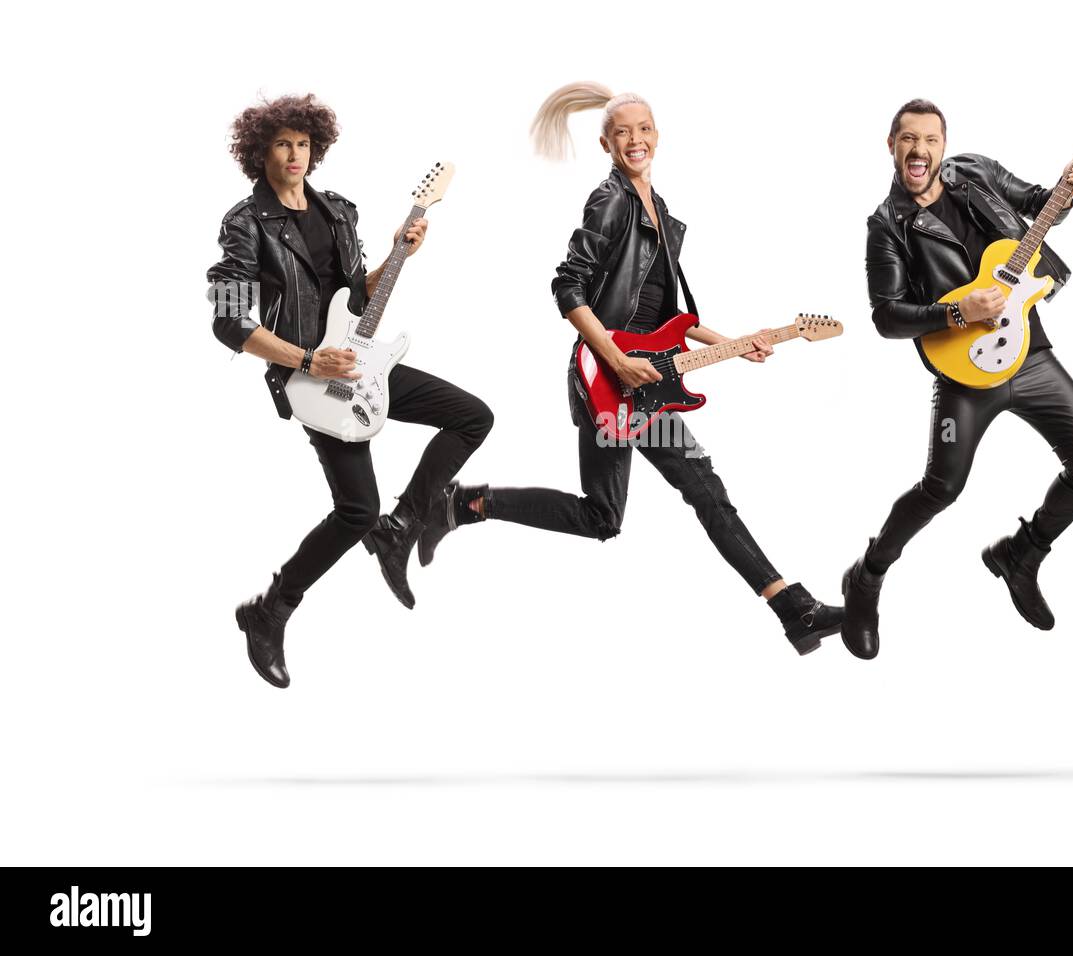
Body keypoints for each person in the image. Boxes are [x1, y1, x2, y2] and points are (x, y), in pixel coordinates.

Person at [416, 82, 843, 655]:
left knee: (602, 516)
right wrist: (616, 358)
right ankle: (794, 609)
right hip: (608, 379)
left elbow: (669, 317)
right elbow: (567, 285)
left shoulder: (660, 213)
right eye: (623, 132)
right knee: (704, 487)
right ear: (606, 143)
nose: (635, 140)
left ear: (658, 138)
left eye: (644, 130)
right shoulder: (611, 200)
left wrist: (736, 342)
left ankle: (464, 504)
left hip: (642, 379)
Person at [207, 93, 493, 688]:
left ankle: (403, 523)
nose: (294, 154)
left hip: (360, 360)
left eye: (303, 144)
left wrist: (398, 253)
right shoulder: (244, 223)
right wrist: (309, 358)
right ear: (260, 151)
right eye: (282, 144)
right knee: (356, 508)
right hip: (309, 378)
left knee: (472, 416)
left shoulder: (338, 211)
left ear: (316, 149)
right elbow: (229, 323)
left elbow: (354, 297)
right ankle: (270, 611)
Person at [841, 98, 1073, 660]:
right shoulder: (887, 226)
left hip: (1031, 355)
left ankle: (1023, 552)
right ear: (891, 145)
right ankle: (866, 577)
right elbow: (886, 316)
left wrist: (1071, 184)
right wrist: (959, 312)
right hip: (963, 374)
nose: (920, 150)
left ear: (944, 144)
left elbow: (1043, 210)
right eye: (908, 140)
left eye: (930, 140)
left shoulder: (977, 173)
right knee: (941, 489)